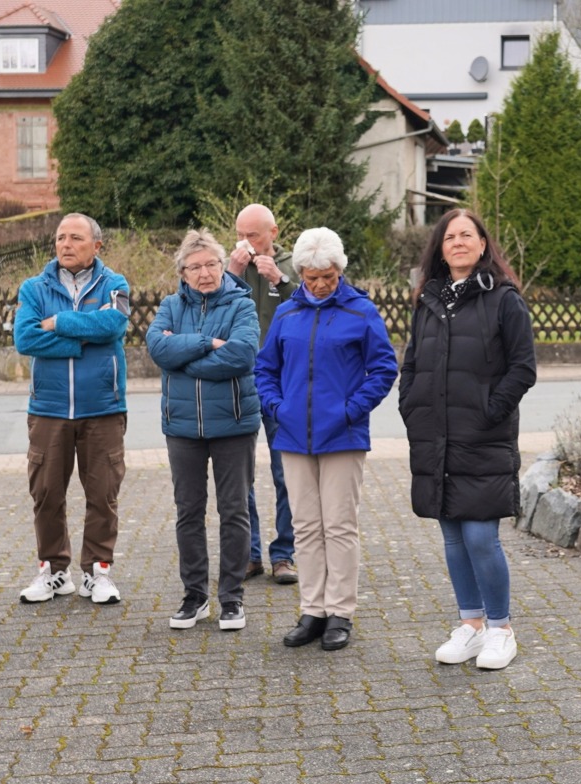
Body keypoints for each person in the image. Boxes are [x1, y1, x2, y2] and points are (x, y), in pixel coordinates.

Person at [399, 209, 537, 672]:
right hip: (435, 435)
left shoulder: (504, 299)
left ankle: (501, 629)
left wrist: (490, 412)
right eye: (449, 237)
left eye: (467, 235)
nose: (458, 242)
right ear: (440, 248)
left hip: (483, 435)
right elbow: (413, 364)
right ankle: (471, 626)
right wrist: (411, 406)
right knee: (453, 536)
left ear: (483, 245)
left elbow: (523, 368)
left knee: (481, 535)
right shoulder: (429, 300)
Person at [255, 227, 397, 651]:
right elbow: (266, 370)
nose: (319, 284)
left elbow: (384, 369)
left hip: (343, 436)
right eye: (311, 277)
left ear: (340, 272)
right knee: (305, 527)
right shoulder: (286, 313)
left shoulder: (360, 311)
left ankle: (340, 612)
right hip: (294, 437)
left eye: (328, 276)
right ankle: (312, 609)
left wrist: (351, 411)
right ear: (299, 273)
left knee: (339, 526)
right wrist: (279, 410)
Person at [13, 213, 132, 607]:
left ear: (96, 246)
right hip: (48, 408)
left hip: (103, 407)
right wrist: (79, 341)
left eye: (76, 238)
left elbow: (113, 325)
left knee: (102, 494)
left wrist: (59, 322)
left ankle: (97, 573)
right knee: (46, 494)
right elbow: (25, 338)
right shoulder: (33, 288)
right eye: (61, 237)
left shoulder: (114, 283)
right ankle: (55, 572)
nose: (66, 244)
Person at [147, 230, 262, 631]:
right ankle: (195, 597)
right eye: (195, 267)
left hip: (233, 424)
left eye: (211, 264)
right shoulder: (168, 306)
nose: (205, 272)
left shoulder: (241, 304)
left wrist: (183, 356)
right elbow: (156, 348)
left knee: (234, 511)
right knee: (188, 513)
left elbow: (242, 354)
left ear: (222, 265)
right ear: (182, 273)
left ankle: (232, 599)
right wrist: (207, 343)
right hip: (181, 427)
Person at [229, 203, 298, 585]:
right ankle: (249, 554)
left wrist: (281, 281)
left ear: (273, 232)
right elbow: (210, 308)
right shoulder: (229, 266)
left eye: (253, 235)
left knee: (285, 472)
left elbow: (314, 308)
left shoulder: (294, 263)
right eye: (240, 234)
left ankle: (283, 555)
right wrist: (232, 272)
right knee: (240, 475)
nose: (246, 242)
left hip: (281, 384)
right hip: (238, 382)